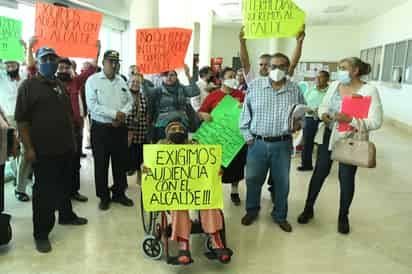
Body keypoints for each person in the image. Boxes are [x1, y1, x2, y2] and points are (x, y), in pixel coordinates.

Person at [297, 57, 383, 234]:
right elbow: (323, 106)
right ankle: (308, 208)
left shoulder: (369, 90)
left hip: (350, 138)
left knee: (346, 178)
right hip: (329, 135)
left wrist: (351, 119)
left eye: (343, 68)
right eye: (339, 68)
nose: (339, 71)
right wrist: (323, 115)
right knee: (319, 172)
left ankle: (343, 216)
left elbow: (376, 121)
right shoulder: (335, 85)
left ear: (356, 71)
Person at [15, 47, 88, 253]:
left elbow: (66, 115)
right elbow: (21, 121)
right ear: (37, 62)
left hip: (65, 147)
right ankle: (41, 234)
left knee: (64, 186)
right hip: (43, 150)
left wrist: (73, 142)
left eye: (52, 59)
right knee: (44, 194)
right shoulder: (28, 86)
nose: (49, 62)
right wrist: (28, 148)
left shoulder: (59, 85)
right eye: (45, 59)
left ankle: (66, 216)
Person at [142, 121, 233, 265]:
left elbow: (209, 163)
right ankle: (183, 246)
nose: (177, 130)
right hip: (173, 191)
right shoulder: (160, 146)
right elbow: (148, 165)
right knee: (178, 205)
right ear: (167, 133)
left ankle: (217, 242)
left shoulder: (195, 145)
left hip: (197, 190)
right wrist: (146, 169)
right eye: (173, 129)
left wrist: (217, 170)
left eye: (180, 129)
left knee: (210, 204)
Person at [239, 53, 305, 231]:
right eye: (273, 66)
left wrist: (299, 123)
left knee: (282, 182)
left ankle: (280, 215)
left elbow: (303, 113)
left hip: (282, 144)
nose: (277, 70)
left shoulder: (294, 90)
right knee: (252, 180)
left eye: (282, 66)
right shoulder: (255, 86)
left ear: (288, 68)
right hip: (257, 143)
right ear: (267, 67)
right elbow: (245, 114)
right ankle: (252, 210)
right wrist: (249, 138)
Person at [86, 50, 134, 211]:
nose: (113, 65)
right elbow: (93, 105)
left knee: (120, 163)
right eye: (110, 62)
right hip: (101, 130)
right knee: (101, 164)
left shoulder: (121, 80)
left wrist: (122, 114)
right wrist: (114, 114)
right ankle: (103, 197)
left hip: (119, 128)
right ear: (103, 63)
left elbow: (130, 101)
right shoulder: (92, 81)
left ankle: (119, 193)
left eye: (116, 62)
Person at [198, 67, 247, 206]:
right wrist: (204, 115)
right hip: (216, 138)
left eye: (234, 76)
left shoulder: (241, 95)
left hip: (235, 138)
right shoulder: (213, 96)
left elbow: (249, 113)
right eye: (230, 76)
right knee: (215, 167)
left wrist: (244, 108)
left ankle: (235, 191)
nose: (233, 79)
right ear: (222, 80)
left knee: (236, 166)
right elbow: (201, 111)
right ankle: (212, 190)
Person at [56, 56, 98, 202]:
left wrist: (96, 51)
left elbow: (91, 69)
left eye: (66, 68)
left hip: (75, 129)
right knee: (62, 164)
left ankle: (74, 191)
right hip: (59, 131)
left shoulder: (75, 82)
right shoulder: (51, 84)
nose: (63, 70)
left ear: (71, 70)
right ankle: (61, 195)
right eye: (60, 68)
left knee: (75, 163)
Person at [0, 54, 32, 202]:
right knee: (13, 151)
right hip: (8, 118)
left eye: (13, 64)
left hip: (25, 118)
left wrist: (27, 48)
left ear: (18, 64)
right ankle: (19, 175)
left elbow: (31, 66)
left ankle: (20, 188)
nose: (10, 67)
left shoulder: (25, 74)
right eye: (7, 65)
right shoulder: (1, 76)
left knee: (25, 151)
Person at [142, 66, 200, 143]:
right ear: (162, 77)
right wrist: (142, 80)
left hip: (181, 125)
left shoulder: (182, 88)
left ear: (176, 77)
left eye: (172, 75)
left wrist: (188, 74)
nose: (169, 77)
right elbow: (147, 92)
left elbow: (195, 91)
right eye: (166, 75)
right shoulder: (158, 90)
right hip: (162, 126)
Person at [239, 26, 305, 84]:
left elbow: (293, 65)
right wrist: (242, 42)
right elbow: (245, 63)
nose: (263, 67)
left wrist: (299, 42)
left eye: (266, 64)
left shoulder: (280, 79)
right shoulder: (254, 80)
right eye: (261, 64)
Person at [298, 70, 330, 171]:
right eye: (316, 77)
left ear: (327, 79)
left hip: (324, 119)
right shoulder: (311, 89)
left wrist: (321, 110)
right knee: (307, 142)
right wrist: (308, 109)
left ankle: (322, 166)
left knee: (323, 143)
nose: (318, 79)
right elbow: (303, 102)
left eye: (321, 77)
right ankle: (306, 164)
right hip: (310, 118)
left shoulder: (330, 91)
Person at [125, 73, 149, 182]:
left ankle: (142, 178)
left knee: (142, 158)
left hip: (141, 132)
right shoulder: (124, 96)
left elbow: (147, 113)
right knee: (125, 159)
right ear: (128, 83)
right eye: (133, 81)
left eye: (138, 82)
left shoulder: (143, 97)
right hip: (127, 134)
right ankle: (122, 183)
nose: (135, 84)